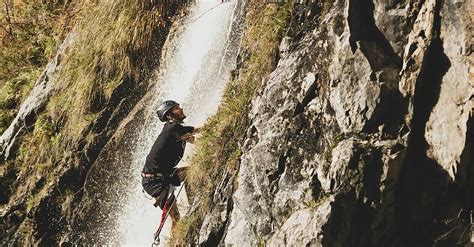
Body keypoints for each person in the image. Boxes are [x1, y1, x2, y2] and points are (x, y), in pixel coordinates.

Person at [141, 100, 199, 230]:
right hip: (153, 181)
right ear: (169, 115)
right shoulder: (173, 128)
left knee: (189, 172)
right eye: (177, 108)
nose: (181, 109)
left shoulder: (175, 128)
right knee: (176, 218)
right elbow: (195, 140)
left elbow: (196, 130)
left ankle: (194, 204)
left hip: (163, 175)